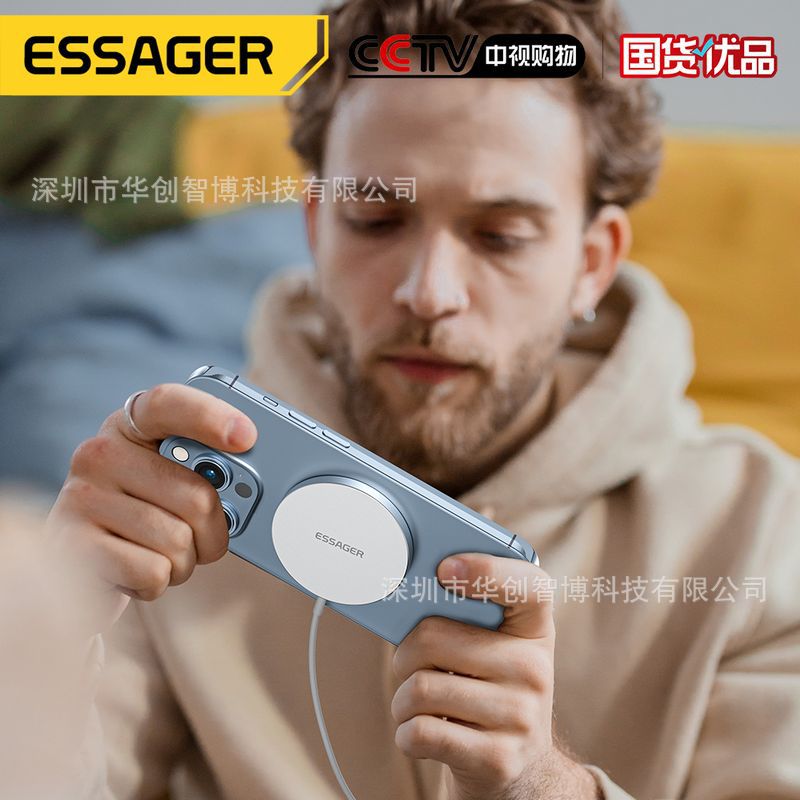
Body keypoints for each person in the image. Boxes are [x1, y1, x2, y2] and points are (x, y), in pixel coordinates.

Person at [44, 1, 800, 798]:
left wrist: (546, 784)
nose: (429, 292)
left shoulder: (760, 535)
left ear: (592, 263)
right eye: (376, 221)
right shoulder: (174, 500)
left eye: (501, 236)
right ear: (316, 230)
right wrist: (45, 632)